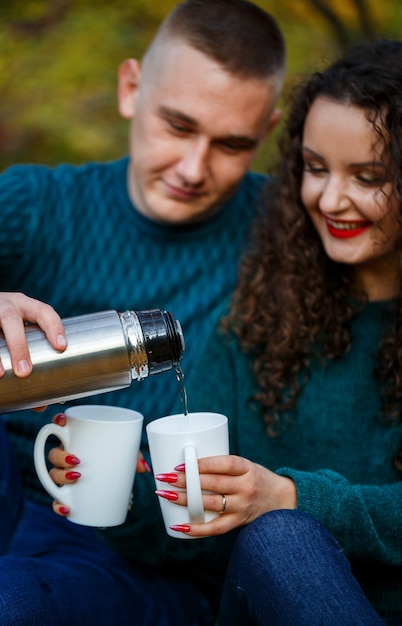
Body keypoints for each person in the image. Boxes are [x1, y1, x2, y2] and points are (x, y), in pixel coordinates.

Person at [0, 1, 286, 624]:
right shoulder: (34, 207)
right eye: (178, 126)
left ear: (268, 131)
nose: (193, 169)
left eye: (232, 144)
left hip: (129, 559)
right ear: (131, 89)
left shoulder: (287, 237)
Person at [138, 39, 402, 624]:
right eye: (315, 169)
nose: (329, 198)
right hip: (259, 600)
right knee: (280, 540)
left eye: (368, 176)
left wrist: (289, 496)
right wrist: (124, 494)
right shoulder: (258, 318)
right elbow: (188, 536)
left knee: (284, 525)